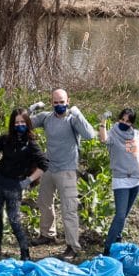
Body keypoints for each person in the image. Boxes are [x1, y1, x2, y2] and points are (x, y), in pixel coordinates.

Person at [30, 89, 96, 261]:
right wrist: (32, 108)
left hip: (67, 170)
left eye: (62, 102)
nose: (59, 105)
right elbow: (25, 124)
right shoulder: (46, 117)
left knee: (69, 209)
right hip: (49, 168)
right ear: (51, 102)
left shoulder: (73, 120)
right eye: (55, 102)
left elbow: (90, 135)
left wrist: (78, 113)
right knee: (44, 202)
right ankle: (48, 234)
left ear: (68, 101)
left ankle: (72, 246)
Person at [0, 109, 47, 260]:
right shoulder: (6, 139)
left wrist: (28, 181)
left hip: (15, 187)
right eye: (17, 122)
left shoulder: (31, 144)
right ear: (12, 124)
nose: (20, 125)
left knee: (14, 220)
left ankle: (25, 252)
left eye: (23, 122)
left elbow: (44, 165)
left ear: (28, 123)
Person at [98, 107, 139, 254]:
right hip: (121, 179)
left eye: (128, 121)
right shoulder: (113, 134)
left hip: (137, 179)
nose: (124, 123)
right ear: (118, 119)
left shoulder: (136, 134)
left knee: (125, 215)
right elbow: (103, 139)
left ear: (132, 123)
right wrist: (103, 121)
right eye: (122, 120)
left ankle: (117, 239)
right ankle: (108, 248)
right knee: (120, 215)